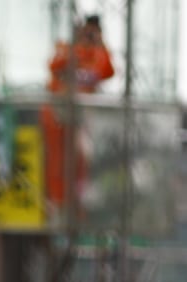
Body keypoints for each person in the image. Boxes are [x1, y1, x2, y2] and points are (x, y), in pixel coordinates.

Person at [42, 14, 115, 208]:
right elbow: (53, 65)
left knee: (81, 162)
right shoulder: (67, 48)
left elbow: (108, 71)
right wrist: (76, 44)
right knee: (57, 161)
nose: (88, 35)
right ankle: (56, 202)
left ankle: (78, 206)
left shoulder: (97, 53)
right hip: (58, 114)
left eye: (92, 31)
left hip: (83, 117)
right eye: (86, 30)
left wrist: (98, 43)